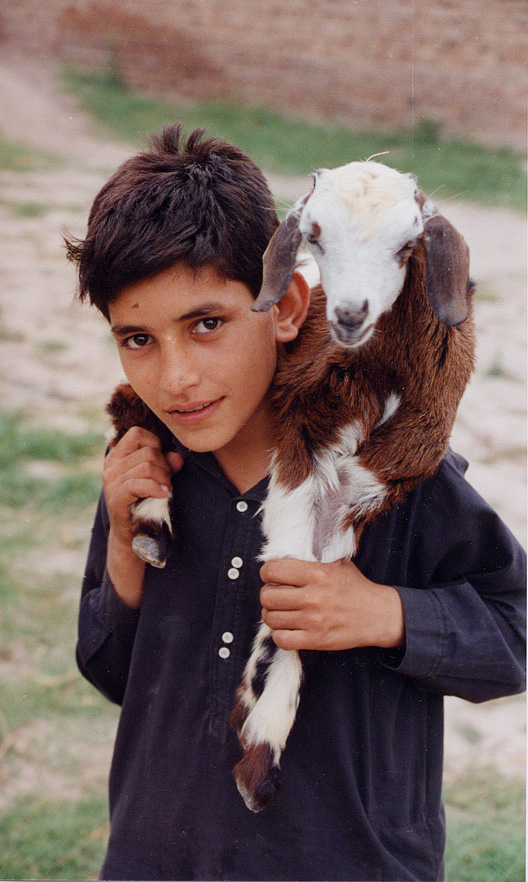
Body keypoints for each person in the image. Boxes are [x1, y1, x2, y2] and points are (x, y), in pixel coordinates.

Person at [66, 124, 526, 882]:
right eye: (138, 339)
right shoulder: (148, 474)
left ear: (286, 305)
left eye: (206, 324)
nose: (175, 376)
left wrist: (385, 614)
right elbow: (114, 675)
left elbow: (515, 636)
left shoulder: (390, 474)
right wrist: (122, 544)